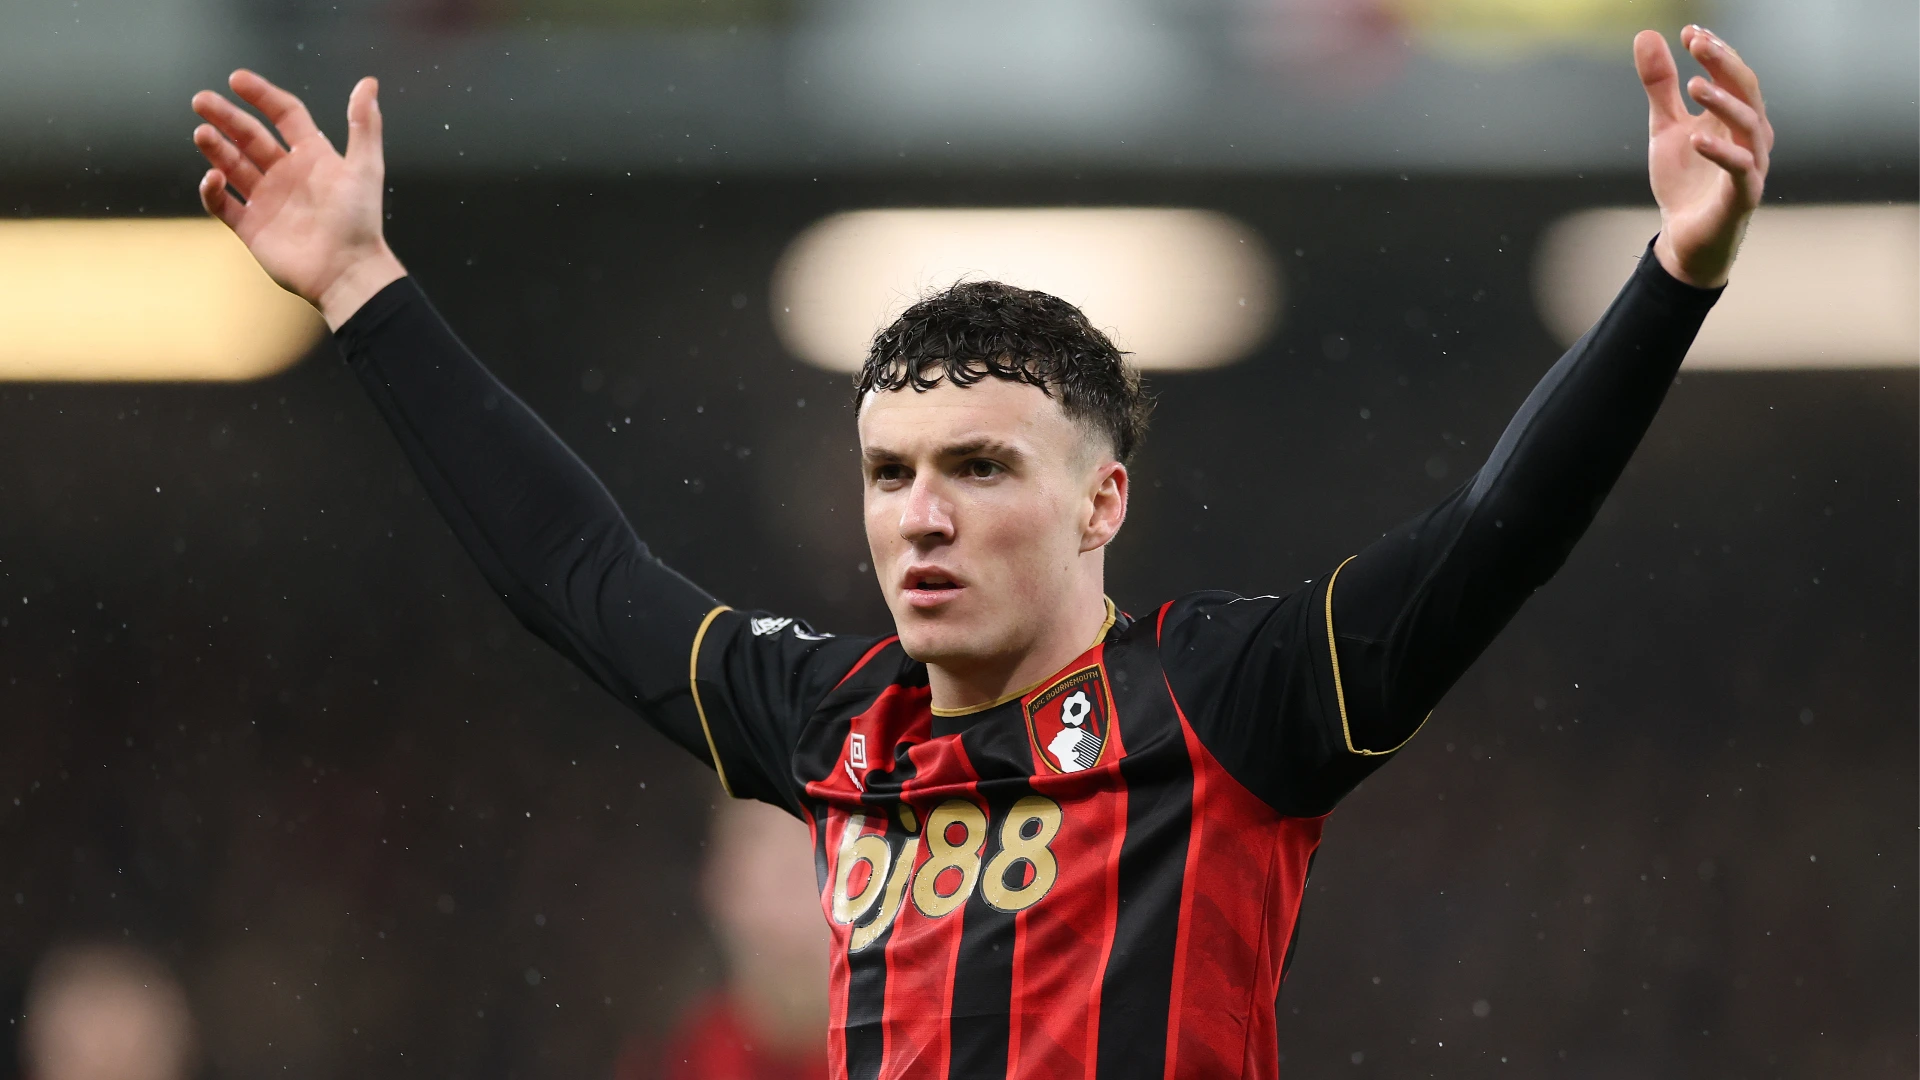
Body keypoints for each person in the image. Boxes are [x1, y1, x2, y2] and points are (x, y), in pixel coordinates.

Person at [185, 24, 1771, 1079]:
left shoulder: (1232, 701)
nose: (919, 514)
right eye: (888, 474)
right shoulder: (832, 722)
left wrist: (1674, 278)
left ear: (1102, 503)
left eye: (979, 468)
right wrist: (363, 287)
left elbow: (1500, 529)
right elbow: (574, 574)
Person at [622, 799, 830, 1080]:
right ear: (717, 883)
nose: (790, 864)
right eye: (757, 836)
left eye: (816, 832)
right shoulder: (669, 1060)